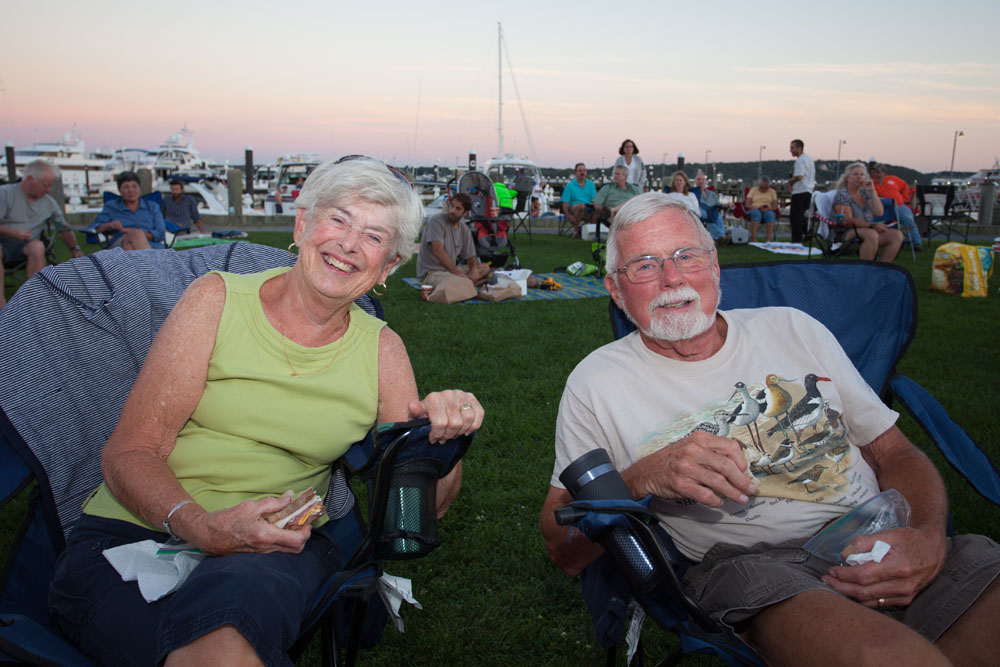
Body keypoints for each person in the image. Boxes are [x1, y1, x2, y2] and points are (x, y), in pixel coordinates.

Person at [48, 156, 484, 666]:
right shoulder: (215, 300)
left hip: (274, 549)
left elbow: (414, 512)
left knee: (224, 643)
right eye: (338, 219)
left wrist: (437, 445)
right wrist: (201, 526)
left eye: (373, 236)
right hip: (138, 530)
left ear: (388, 267)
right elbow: (130, 450)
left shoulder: (383, 350)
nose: (347, 244)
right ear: (302, 225)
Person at [539, 192, 1000, 666]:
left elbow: (895, 454)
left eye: (686, 256)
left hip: (884, 534)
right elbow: (562, 547)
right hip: (761, 570)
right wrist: (638, 480)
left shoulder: (793, 327)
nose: (672, 278)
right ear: (616, 290)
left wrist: (925, 536)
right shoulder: (596, 383)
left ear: (715, 266)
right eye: (645, 265)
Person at [0, 159, 83, 308]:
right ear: (30, 179)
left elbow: (63, 227)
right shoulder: (5, 194)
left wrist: (74, 248)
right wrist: (12, 233)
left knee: (38, 247)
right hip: (3, 244)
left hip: (27, 246)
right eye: (45, 185)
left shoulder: (49, 202)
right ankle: (1, 304)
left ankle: (32, 300)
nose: (48, 190)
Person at [415, 192, 490, 302]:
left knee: (484, 268)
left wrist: (473, 269)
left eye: (458, 208)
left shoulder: (464, 229)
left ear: (465, 213)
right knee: (458, 280)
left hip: (450, 271)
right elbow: (438, 251)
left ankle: (468, 283)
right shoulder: (436, 221)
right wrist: (457, 273)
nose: (452, 210)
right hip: (431, 273)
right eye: (452, 206)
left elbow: (471, 256)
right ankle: (469, 284)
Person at [833, 162, 903, 262]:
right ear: (847, 178)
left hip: (868, 229)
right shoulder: (842, 195)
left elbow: (879, 212)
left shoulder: (864, 193)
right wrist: (871, 226)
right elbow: (847, 220)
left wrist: (872, 191)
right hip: (845, 231)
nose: (859, 177)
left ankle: (882, 269)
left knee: (896, 235)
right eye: (855, 174)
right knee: (872, 234)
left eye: (862, 175)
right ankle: (865, 270)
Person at [92, 171, 166, 250]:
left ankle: (145, 260)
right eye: (126, 187)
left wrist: (139, 234)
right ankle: (151, 262)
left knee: (130, 245)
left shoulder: (152, 207)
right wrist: (110, 225)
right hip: (120, 244)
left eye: (134, 186)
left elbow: (161, 233)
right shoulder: (112, 206)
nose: (131, 190)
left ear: (139, 188)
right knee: (133, 239)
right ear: (120, 190)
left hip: (151, 245)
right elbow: (96, 227)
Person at [871, 163, 922, 251]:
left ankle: (917, 242)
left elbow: (904, 186)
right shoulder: (871, 184)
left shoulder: (893, 179)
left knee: (908, 219)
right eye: (874, 172)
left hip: (898, 206)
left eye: (878, 172)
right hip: (882, 210)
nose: (875, 175)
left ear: (884, 173)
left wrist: (905, 198)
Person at [787, 140, 815, 243]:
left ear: (799, 148)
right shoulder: (809, 160)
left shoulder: (800, 160)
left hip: (800, 190)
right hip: (808, 190)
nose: (790, 150)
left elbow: (799, 176)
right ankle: (807, 231)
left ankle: (797, 239)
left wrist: (790, 181)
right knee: (800, 214)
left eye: (792, 148)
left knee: (795, 216)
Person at [561, 163, 597, 238]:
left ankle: (592, 234)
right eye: (580, 171)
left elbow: (595, 200)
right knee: (580, 206)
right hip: (574, 209)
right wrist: (568, 215)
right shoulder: (570, 185)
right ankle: (576, 231)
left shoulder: (591, 184)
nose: (582, 172)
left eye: (584, 170)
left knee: (598, 209)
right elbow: (565, 203)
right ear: (575, 173)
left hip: (587, 208)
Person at [691, 170, 726, 242]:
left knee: (718, 217)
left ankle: (722, 236)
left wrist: (728, 204)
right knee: (706, 218)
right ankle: (721, 237)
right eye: (698, 179)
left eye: (702, 179)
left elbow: (718, 203)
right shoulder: (692, 194)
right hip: (702, 212)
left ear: (706, 182)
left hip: (713, 212)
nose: (700, 181)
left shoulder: (711, 194)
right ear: (695, 182)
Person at [744, 175, 779, 242]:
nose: (763, 189)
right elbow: (747, 204)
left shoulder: (772, 192)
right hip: (755, 208)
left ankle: (768, 240)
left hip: (767, 209)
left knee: (770, 215)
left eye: (766, 188)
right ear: (759, 185)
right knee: (756, 214)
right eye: (761, 187)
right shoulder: (753, 190)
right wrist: (755, 207)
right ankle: (754, 239)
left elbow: (775, 206)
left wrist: (768, 209)